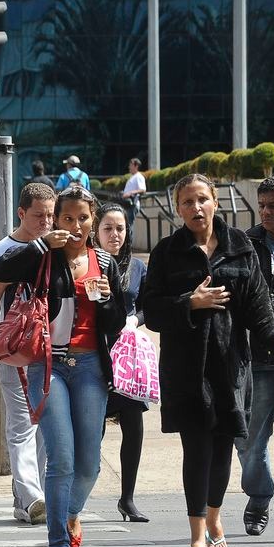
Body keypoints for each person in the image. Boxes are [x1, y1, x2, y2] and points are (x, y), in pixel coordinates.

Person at [143, 174, 274, 547]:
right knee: (197, 450)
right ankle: (196, 537)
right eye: (187, 202)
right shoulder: (167, 252)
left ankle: (214, 519)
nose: (196, 207)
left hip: (230, 366)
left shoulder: (240, 246)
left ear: (216, 202)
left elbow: (258, 304)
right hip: (186, 370)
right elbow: (150, 310)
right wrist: (189, 302)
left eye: (202, 199)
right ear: (178, 208)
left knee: (223, 450)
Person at [0, 186, 126, 547]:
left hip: (90, 368)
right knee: (61, 457)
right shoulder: (42, 258)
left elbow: (115, 323)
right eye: (68, 218)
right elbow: (2, 270)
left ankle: (69, 512)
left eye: (84, 218)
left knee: (90, 464)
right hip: (48, 367)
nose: (77, 226)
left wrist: (105, 299)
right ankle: (58, 544)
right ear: (56, 220)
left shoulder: (104, 261)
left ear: (93, 220)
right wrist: (39, 245)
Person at [0, 182, 55, 525]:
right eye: (38, 215)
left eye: (50, 215)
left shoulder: (57, 247)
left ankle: (28, 497)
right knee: (22, 426)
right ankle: (33, 497)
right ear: (21, 213)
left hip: (52, 350)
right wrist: (6, 276)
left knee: (46, 426)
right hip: (14, 351)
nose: (46, 223)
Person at [236, 176, 274, 537]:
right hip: (259, 358)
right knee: (250, 440)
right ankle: (259, 494)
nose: (265, 212)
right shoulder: (245, 244)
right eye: (262, 204)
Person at [94, 202, 150, 523]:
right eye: (107, 228)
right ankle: (79, 490)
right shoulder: (88, 262)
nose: (114, 234)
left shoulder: (138, 268)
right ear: (96, 231)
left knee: (133, 422)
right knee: (93, 428)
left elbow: (149, 307)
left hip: (127, 354)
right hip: (94, 353)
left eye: (120, 228)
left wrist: (134, 319)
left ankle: (127, 498)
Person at [121, 158, 146, 235]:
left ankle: (129, 246)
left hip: (132, 205)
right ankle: (127, 246)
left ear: (136, 166)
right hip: (127, 205)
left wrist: (130, 193)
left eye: (131, 165)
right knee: (126, 225)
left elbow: (143, 189)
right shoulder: (133, 177)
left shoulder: (139, 176)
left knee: (128, 226)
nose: (129, 167)